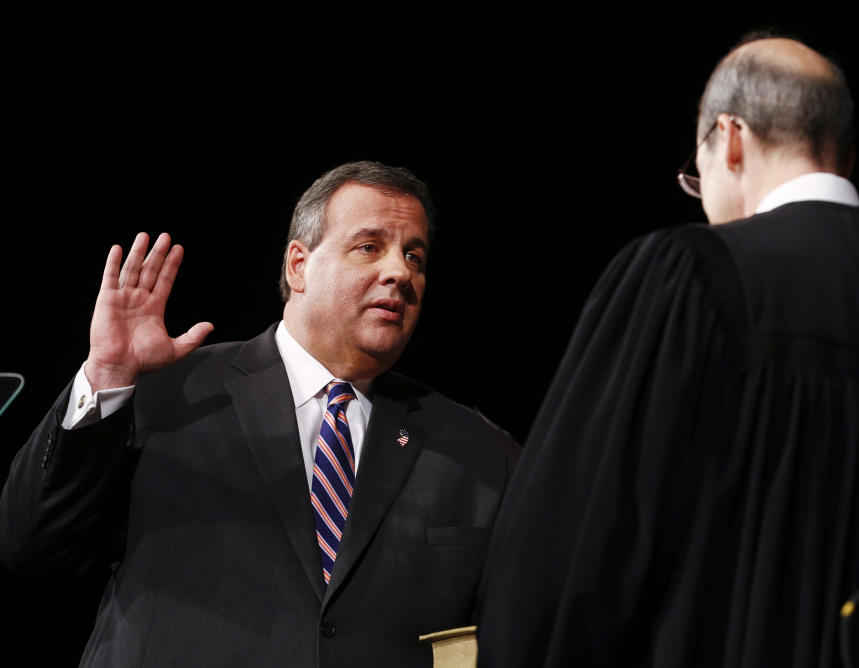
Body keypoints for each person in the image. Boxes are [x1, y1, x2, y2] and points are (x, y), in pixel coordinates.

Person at [476, 35, 859, 667]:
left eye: (695, 170)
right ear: (842, 151)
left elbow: (568, 560)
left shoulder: (691, 276)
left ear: (730, 140)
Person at [0, 161, 519, 666]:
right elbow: (36, 546)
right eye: (369, 247)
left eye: (416, 256)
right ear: (299, 265)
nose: (399, 272)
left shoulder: (474, 448)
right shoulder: (170, 391)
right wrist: (109, 376)